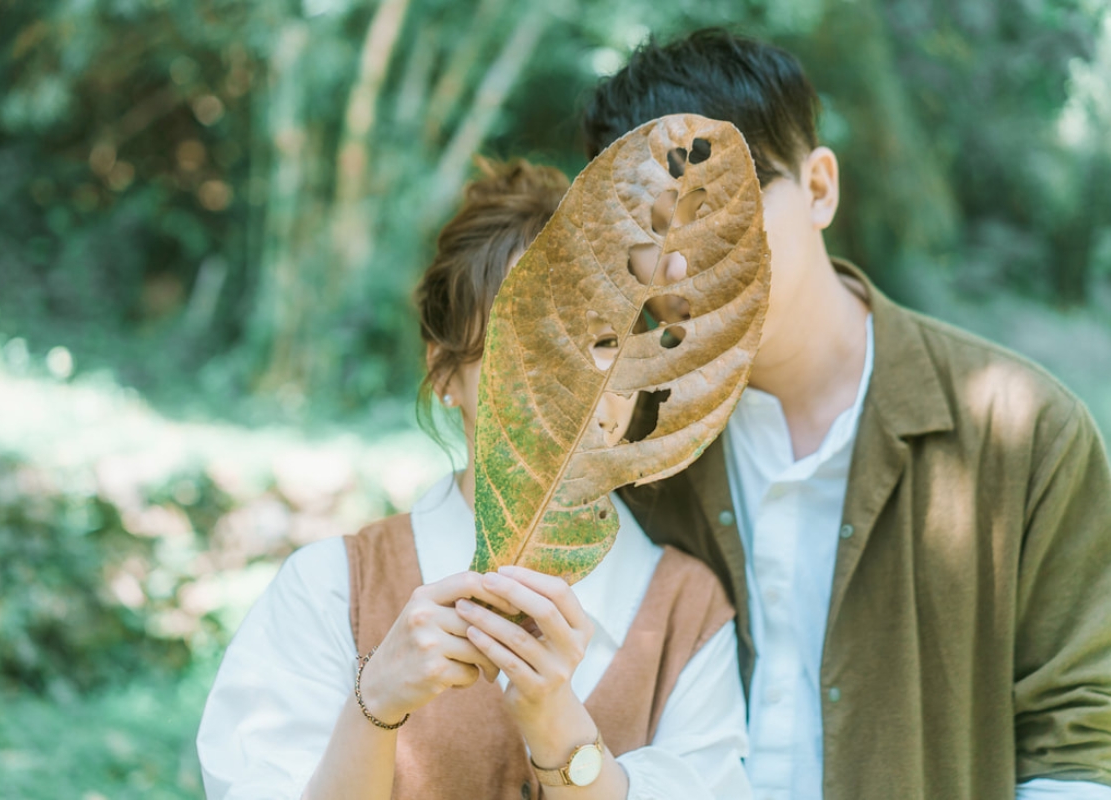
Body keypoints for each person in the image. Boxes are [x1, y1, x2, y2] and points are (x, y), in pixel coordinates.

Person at [583, 27, 1111, 800]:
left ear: (820, 188)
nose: (685, 257)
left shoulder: (1025, 432)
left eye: (724, 198)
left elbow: (1078, 743)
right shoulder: (625, 449)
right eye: (647, 223)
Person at [196, 159, 752, 800]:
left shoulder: (687, 613)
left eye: (601, 340)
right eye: (522, 346)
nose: (569, 383)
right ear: (444, 374)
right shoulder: (330, 591)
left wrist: (558, 728)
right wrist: (376, 701)